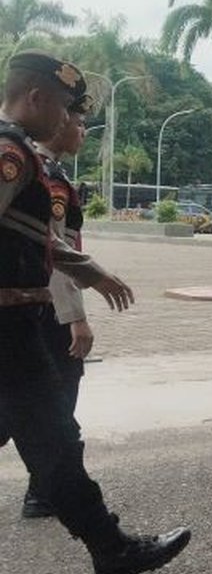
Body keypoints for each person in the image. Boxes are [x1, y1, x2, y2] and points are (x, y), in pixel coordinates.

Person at [0, 51, 190, 574]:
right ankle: (114, 549)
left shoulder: (23, 153)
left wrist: (91, 272)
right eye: (63, 107)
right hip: (8, 327)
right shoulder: (10, 151)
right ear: (35, 97)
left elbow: (34, 237)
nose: (67, 119)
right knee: (56, 441)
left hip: (16, 324)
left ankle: (112, 547)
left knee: (50, 439)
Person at [17, 100, 94, 519]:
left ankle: (46, 491)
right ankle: (44, 492)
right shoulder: (49, 179)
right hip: (46, 311)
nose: (81, 131)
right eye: (78, 123)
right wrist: (75, 318)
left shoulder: (49, 173)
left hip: (32, 307)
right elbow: (56, 257)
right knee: (53, 404)